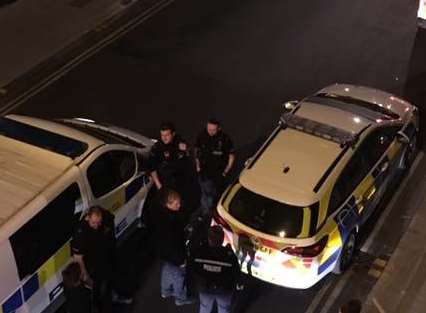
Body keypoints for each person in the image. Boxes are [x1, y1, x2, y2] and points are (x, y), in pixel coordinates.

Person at [71, 206, 116, 313]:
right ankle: (98, 306)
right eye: (94, 222)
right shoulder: (80, 231)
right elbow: (78, 257)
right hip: (92, 264)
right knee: (97, 288)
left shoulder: (104, 216)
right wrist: (85, 274)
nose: (97, 225)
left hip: (105, 257)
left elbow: (110, 219)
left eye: (99, 222)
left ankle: (110, 297)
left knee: (110, 278)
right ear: (87, 217)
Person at [189, 225, 241, 313]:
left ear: (209, 238)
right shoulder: (229, 255)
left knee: (205, 307)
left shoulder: (199, 252)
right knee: (223, 309)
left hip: (204, 288)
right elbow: (236, 272)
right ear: (222, 239)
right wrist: (239, 284)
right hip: (224, 290)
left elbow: (192, 268)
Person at [155, 188, 193, 306]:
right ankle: (180, 298)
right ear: (168, 204)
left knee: (167, 269)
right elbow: (175, 242)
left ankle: (165, 291)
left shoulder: (161, 214)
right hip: (175, 255)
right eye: (176, 204)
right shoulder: (173, 221)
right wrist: (181, 260)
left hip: (163, 253)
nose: (179, 205)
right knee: (179, 276)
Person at [194, 118, 235, 214]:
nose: (210, 132)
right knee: (206, 194)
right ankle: (207, 212)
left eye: (213, 130)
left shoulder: (225, 139)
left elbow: (231, 156)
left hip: (218, 174)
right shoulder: (202, 136)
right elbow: (197, 150)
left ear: (219, 128)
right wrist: (198, 167)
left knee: (216, 194)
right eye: (209, 129)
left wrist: (225, 171)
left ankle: (212, 210)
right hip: (204, 173)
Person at [149, 122, 189, 191]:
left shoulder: (179, 141)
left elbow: (187, 156)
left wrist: (187, 149)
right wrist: (158, 185)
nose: (164, 138)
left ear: (173, 134)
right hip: (165, 184)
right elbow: (152, 167)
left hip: (181, 182)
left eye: (167, 135)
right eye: (162, 135)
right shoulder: (157, 148)